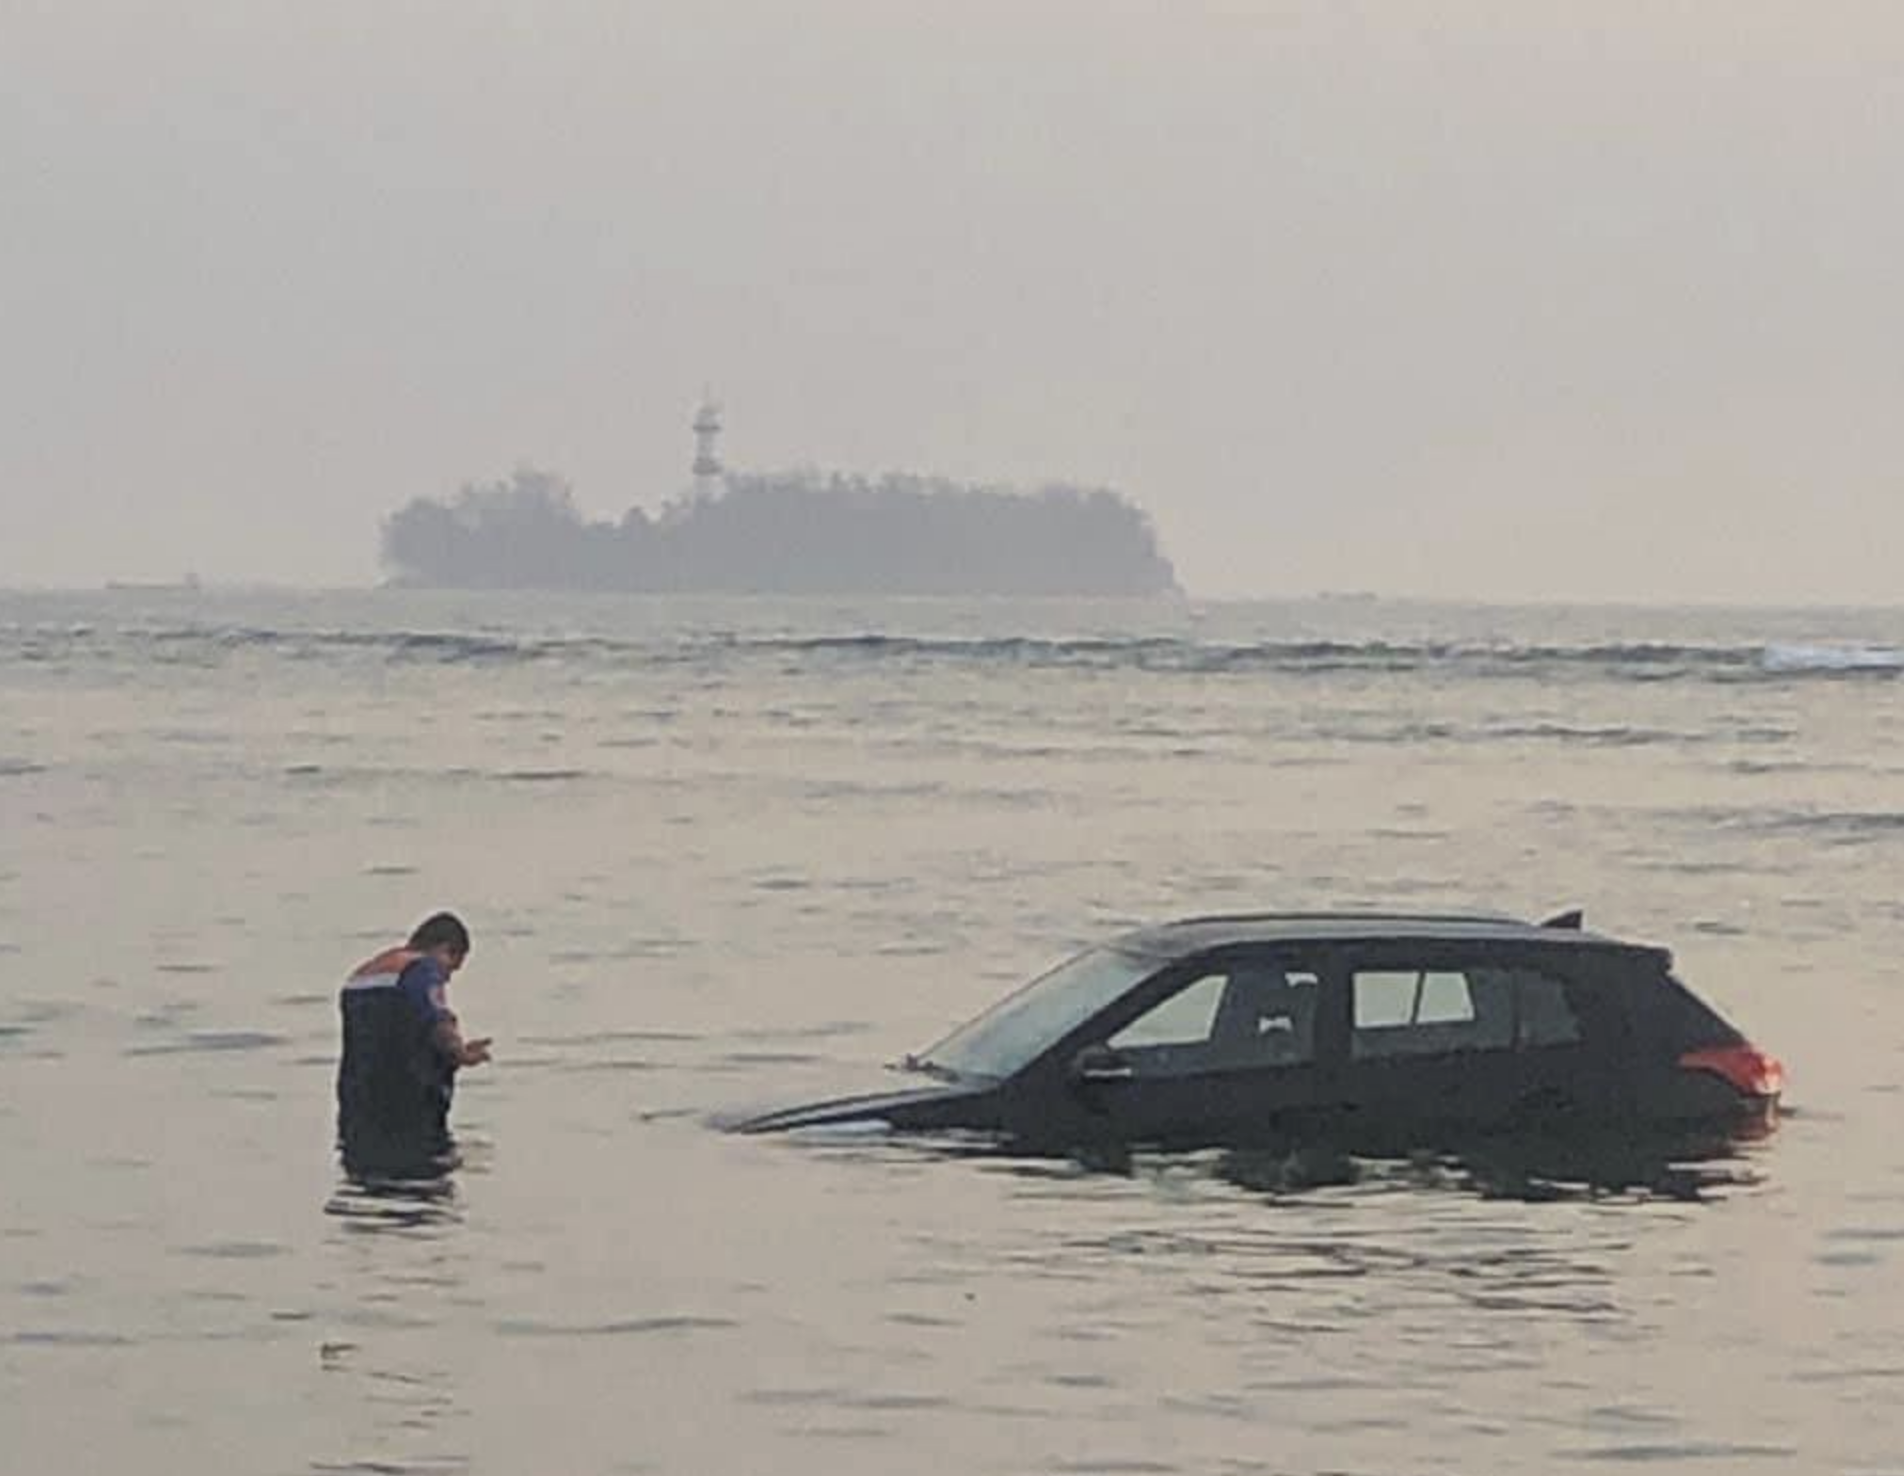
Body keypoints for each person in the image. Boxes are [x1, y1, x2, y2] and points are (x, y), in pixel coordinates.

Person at [336, 911, 491, 1173]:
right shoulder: (422, 969)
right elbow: (436, 1019)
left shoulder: (360, 977)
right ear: (443, 949)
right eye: (452, 967)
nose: (447, 977)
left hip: (358, 1107)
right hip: (408, 1112)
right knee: (424, 1186)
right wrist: (461, 1053)